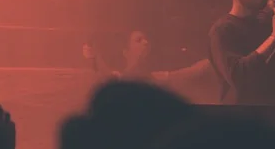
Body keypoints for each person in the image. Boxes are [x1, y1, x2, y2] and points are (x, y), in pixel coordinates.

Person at [83, 30, 213, 98]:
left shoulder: (155, 78)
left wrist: (212, 60)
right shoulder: (117, 80)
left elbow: (191, 72)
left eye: (146, 39)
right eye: (138, 40)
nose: (146, 42)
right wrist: (92, 56)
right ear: (126, 52)